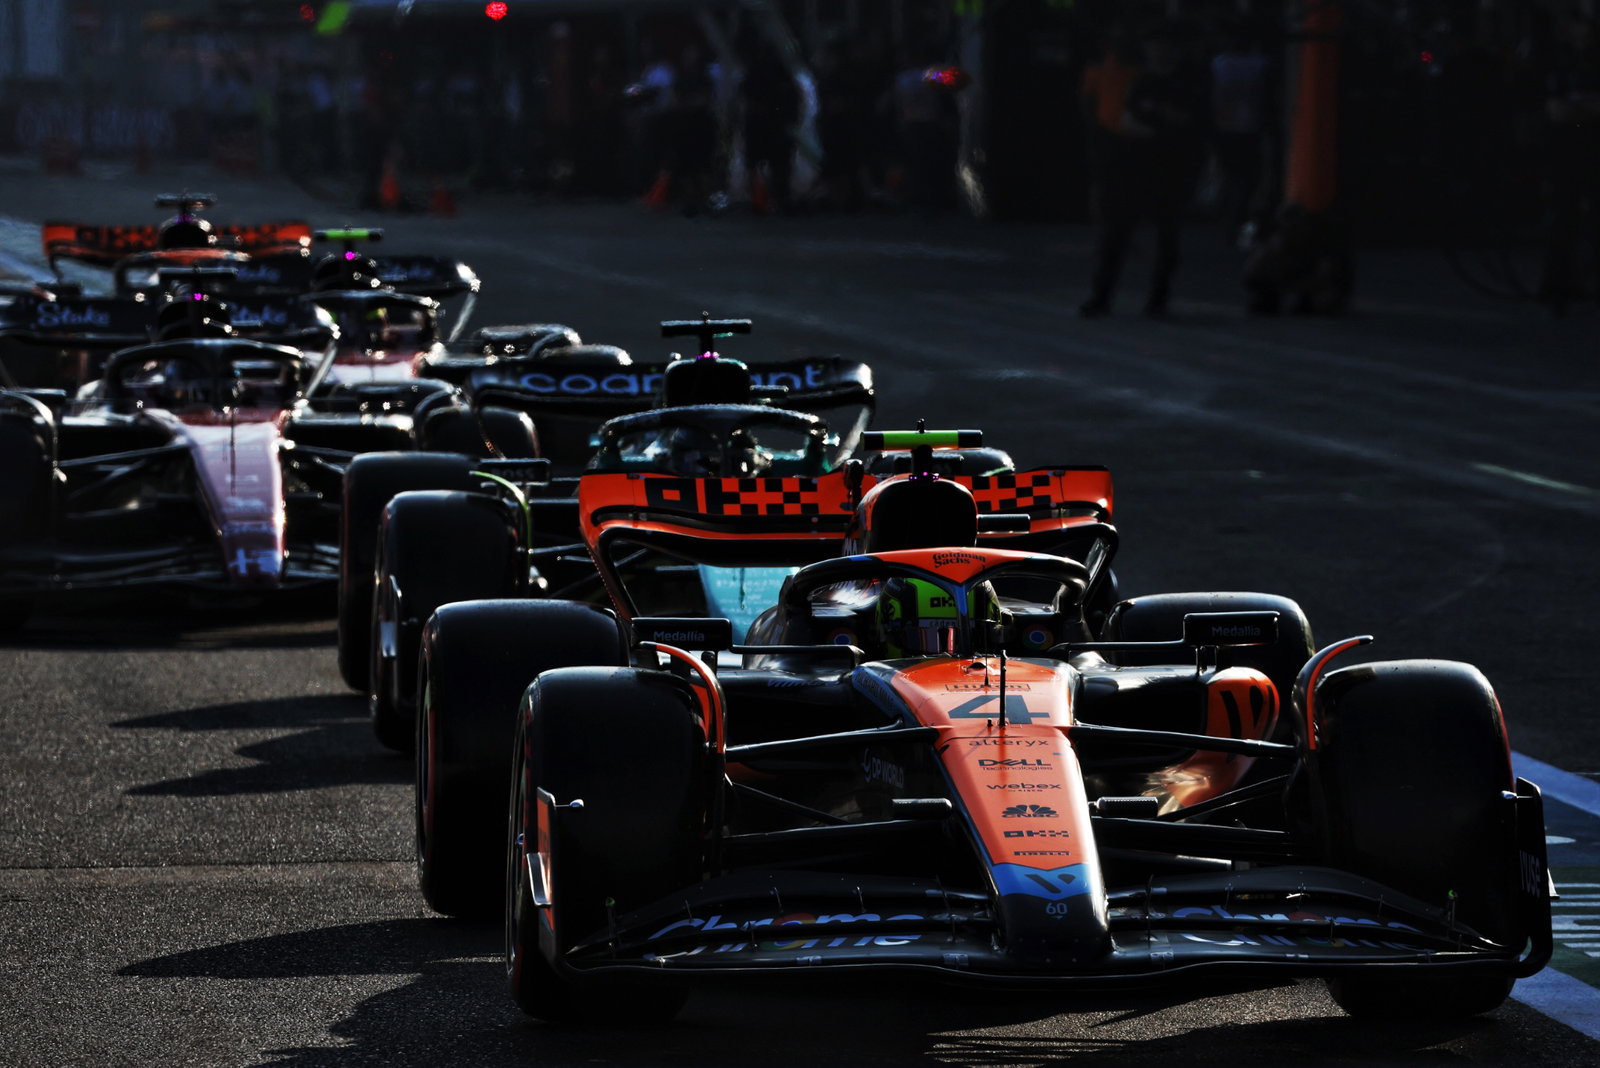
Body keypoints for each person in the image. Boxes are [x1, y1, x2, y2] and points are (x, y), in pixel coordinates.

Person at [1080, 25, 1208, 318]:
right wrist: (1162, 126)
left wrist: (1157, 126)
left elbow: (1192, 122)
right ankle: (1102, 296)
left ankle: (1157, 298)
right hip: (1135, 167)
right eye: (1154, 45)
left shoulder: (1190, 80)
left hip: (1174, 168)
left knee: (1168, 237)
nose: (1158, 51)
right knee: (1116, 234)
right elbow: (1129, 120)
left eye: (1164, 45)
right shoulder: (1143, 81)